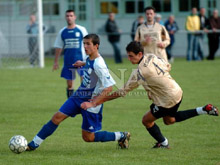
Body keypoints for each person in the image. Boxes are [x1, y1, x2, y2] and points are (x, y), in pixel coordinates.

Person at [81, 41, 219, 149]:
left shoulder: (140, 72)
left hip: (166, 100)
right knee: (169, 120)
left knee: (146, 120)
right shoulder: (152, 56)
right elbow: (167, 67)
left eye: (131, 56)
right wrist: (152, 88)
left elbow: (122, 92)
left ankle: (164, 144)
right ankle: (204, 109)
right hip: (177, 91)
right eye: (128, 55)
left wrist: (97, 101)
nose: (129, 59)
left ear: (140, 54)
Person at [26, 34, 130, 151]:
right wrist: (83, 63)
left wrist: (92, 103)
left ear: (96, 46)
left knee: (88, 137)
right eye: (84, 43)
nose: (85, 46)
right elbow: (91, 64)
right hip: (78, 96)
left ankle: (121, 135)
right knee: (56, 117)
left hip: (91, 102)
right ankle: (33, 144)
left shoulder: (99, 64)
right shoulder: (90, 58)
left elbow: (109, 88)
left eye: (88, 44)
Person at [53, 10, 88, 98]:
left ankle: (84, 101)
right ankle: (70, 104)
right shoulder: (62, 32)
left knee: (84, 83)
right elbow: (58, 46)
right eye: (67, 16)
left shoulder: (81, 30)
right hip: (68, 61)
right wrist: (56, 61)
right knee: (70, 85)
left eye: (71, 16)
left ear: (75, 17)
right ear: (65, 17)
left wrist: (89, 58)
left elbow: (88, 44)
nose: (69, 18)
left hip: (81, 60)